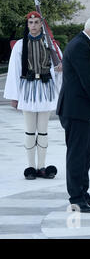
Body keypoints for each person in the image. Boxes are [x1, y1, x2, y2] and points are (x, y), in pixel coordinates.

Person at [56, 14, 90, 213]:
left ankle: (84, 193)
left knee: (86, 155)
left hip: (85, 110)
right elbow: (86, 79)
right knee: (77, 156)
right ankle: (76, 198)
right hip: (75, 110)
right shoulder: (79, 45)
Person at [3, 11, 62, 180]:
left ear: (41, 24)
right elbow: (14, 71)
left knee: (42, 131)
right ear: (27, 25)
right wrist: (15, 96)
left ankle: (41, 166)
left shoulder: (51, 45)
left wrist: (59, 69)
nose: (34, 26)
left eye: (37, 22)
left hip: (45, 89)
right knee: (30, 131)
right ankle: (30, 167)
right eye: (31, 23)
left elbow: (59, 67)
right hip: (28, 89)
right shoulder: (21, 45)